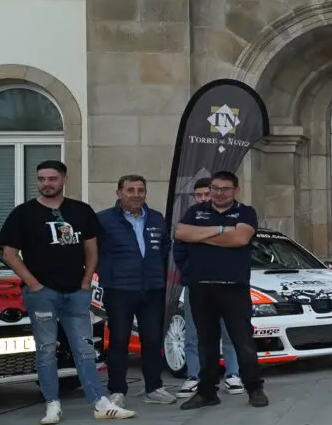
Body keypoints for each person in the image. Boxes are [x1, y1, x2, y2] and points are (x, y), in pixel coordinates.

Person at [0, 159, 131, 423]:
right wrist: (33, 284)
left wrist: (86, 281)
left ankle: (100, 402)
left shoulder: (80, 211)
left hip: (76, 292)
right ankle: (52, 403)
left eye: (52, 179)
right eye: (42, 179)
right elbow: (9, 253)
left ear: (64, 180)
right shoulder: (23, 213)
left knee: (83, 348)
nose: (46, 184)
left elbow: (92, 247)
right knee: (46, 348)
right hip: (42, 293)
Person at [173, 169, 268, 412]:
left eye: (224, 189)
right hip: (200, 288)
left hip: (233, 289)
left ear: (235, 191)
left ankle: (254, 388)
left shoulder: (246, 212)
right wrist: (224, 230)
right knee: (206, 342)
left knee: (242, 340)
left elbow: (240, 240)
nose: (218, 193)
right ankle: (206, 393)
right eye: (215, 188)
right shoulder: (196, 211)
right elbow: (181, 233)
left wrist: (201, 236)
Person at [95, 174, 175, 405]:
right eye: (130, 190)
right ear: (119, 193)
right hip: (119, 289)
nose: (136, 195)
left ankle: (154, 388)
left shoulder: (157, 218)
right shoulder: (103, 220)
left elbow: (164, 249)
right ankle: (117, 390)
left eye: (141, 190)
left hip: (152, 289)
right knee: (119, 340)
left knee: (152, 339)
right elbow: (91, 251)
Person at [173, 176, 240, 397]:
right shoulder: (191, 216)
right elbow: (180, 246)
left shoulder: (231, 216)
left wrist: (201, 238)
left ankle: (232, 374)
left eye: (206, 194)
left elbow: (236, 243)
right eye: (198, 195)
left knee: (228, 331)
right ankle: (194, 376)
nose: (203, 198)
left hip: (226, 283)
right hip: (197, 284)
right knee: (194, 333)